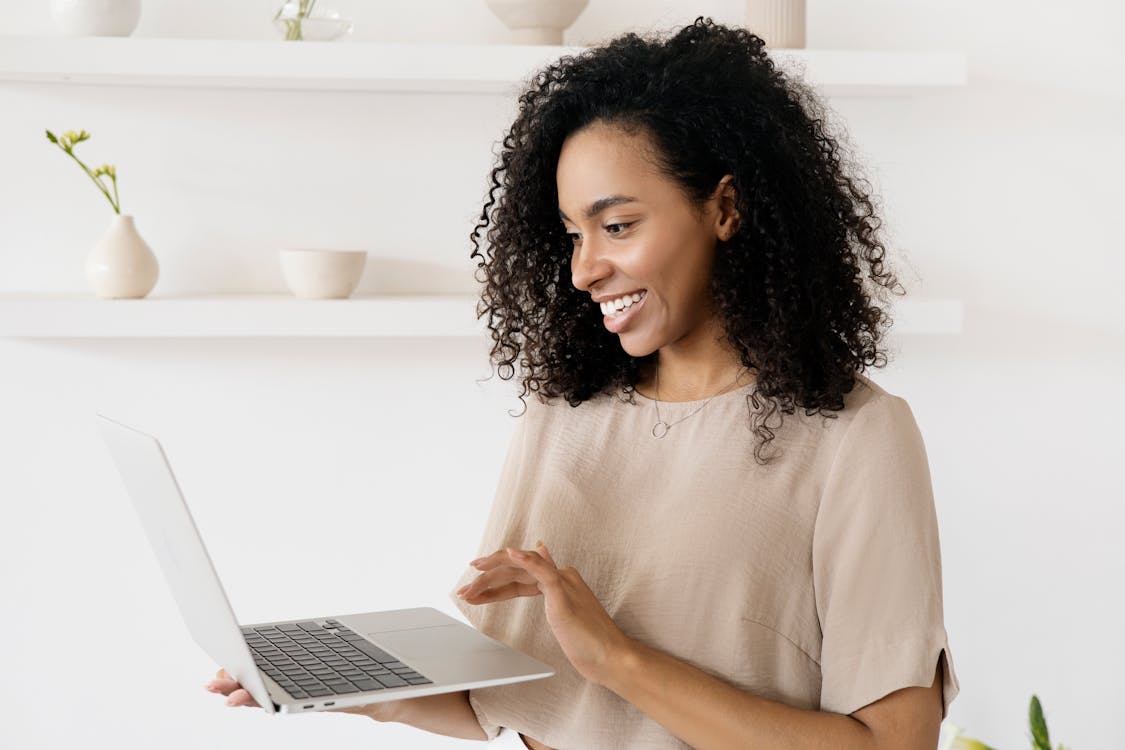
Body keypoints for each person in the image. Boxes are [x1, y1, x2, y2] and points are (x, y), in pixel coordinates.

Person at [207, 16, 960, 749]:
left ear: (724, 208)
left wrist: (619, 661)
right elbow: (513, 698)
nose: (584, 268)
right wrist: (368, 689)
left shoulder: (853, 436)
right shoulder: (562, 417)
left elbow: (894, 743)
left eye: (618, 226)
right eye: (572, 234)